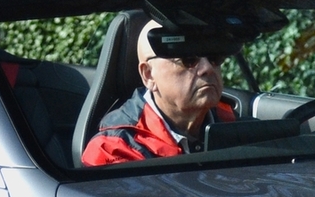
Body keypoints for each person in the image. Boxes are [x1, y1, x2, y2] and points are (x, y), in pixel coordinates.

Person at [80, 22, 239, 166]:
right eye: (188, 59)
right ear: (148, 75)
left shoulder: (237, 126)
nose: (208, 68)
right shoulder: (113, 149)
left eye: (214, 58)